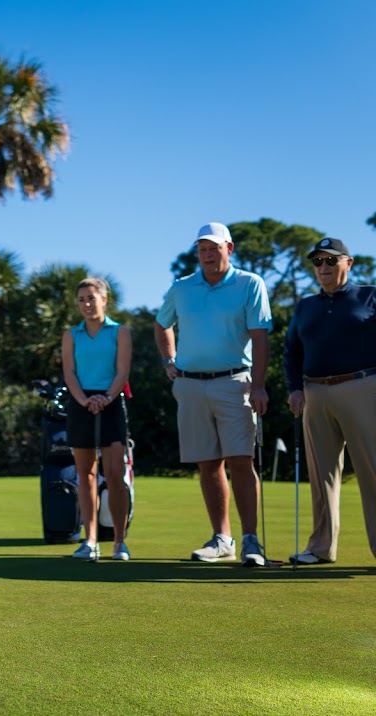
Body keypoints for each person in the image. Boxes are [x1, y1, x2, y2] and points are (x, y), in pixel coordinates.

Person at [154, 222, 272, 566]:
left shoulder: (250, 283)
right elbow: (162, 324)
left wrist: (261, 385)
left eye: (213, 248)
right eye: (202, 249)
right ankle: (222, 539)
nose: (207, 255)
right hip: (190, 384)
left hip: (235, 382)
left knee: (240, 459)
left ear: (229, 249)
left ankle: (251, 540)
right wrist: (169, 362)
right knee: (208, 463)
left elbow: (260, 336)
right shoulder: (182, 287)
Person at [284, 238, 376, 565]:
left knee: (372, 472)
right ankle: (321, 548)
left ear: (348, 264)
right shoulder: (304, 306)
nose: (323, 267)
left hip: (363, 387)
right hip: (315, 393)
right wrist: (295, 389)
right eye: (318, 262)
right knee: (321, 474)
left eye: (330, 261)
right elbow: (292, 352)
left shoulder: (370, 295)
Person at [61, 277, 132, 561]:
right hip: (81, 403)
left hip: (112, 402)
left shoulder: (120, 332)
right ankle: (89, 540)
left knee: (115, 474)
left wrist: (105, 397)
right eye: (81, 300)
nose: (86, 304)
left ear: (104, 299)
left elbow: (122, 371)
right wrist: (84, 400)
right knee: (86, 475)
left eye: (91, 298)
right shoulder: (71, 334)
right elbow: (70, 373)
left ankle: (119, 541)